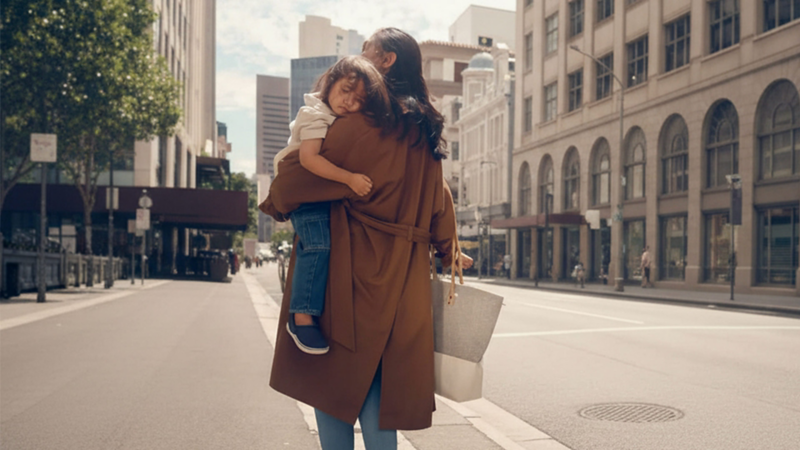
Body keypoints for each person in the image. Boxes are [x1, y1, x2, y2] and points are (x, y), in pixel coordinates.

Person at [260, 27, 473, 450]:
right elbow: (439, 197)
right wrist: (449, 248)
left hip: (349, 266)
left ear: (386, 61)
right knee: (381, 381)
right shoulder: (425, 130)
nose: (358, 60)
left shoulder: (360, 126)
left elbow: (291, 181)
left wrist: (278, 201)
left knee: (332, 381)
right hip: (405, 276)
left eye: (366, 51)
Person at [273, 56, 392, 355]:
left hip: (318, 195)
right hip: (306, 196)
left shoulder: (333, 115)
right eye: (345, 91)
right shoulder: (315, 114)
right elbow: (309, 159)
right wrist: (350, 179)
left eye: (358, 99)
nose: (349, 102)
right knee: (317, 246)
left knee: (326, 247)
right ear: (330, 84)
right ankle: (301, 317)